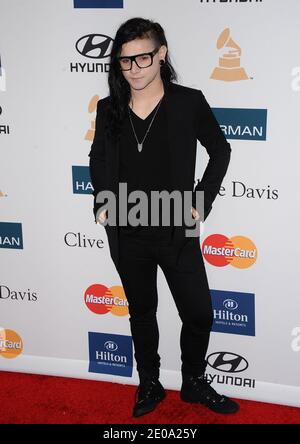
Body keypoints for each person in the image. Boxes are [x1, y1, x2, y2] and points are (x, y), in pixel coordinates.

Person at [89, 17, 239, 417]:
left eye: (142, 58)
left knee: (199, 313)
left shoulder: (188, 101)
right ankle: (149, 384)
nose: (134, 69)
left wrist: (201, 201)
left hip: (177, 225)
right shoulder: (110, 108)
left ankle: (192, 382)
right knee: (142, 312)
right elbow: (98, 157)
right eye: (125, 61)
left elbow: (220, 151)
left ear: (161, 54)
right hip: (127, 228)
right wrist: (103, 202)